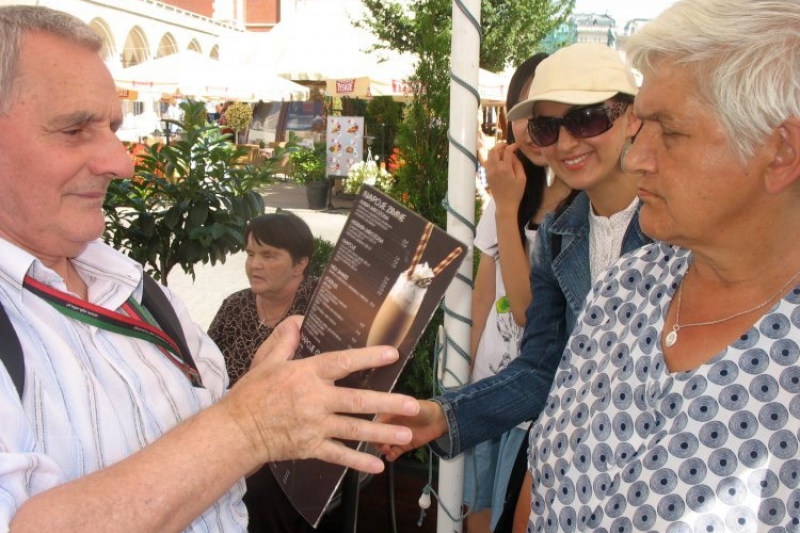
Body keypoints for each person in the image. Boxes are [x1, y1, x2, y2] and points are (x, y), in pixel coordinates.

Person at [0, 6, 418, 532]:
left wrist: (268, 396)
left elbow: (206, 444)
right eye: (75, 129)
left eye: (112, 126)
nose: (122, 161)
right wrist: (250, 425)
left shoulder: (133, 285)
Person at [520, 0, 800, 531]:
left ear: (781, 152)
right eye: (642, 124)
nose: (637, 155)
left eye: (669, 131)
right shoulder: (628, 284)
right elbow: (543, 472)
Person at [378, 41, 649, 521]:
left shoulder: (676, 226)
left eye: (587, 119)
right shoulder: (558, 234)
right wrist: (442, 414)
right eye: (548, 127)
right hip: (574, 469)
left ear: (631, 117)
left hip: (657, 472)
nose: (565, 144)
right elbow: (543, 367)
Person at [464, 52, 573, 533]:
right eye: (522, 109)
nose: (531, 126)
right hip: (489, 386)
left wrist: (507, 209)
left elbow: (529, 311)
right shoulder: (511, 191)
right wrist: (465, 379)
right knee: (476, 514)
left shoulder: (577, 206)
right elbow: (483, 297)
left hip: (536, 404)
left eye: (545, 112)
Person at [208, 212, 319, 533]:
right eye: (251, 254)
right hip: (231, 426)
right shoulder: (236, 306)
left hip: (291, 439)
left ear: (299, 264)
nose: (254, 264)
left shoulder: (318, 309)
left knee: (256, 494)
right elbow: (204, 371)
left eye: (269, 255)